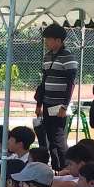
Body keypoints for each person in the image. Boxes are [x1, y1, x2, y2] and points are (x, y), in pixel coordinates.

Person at [34, 24, 78, 171]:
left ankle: (66, 167)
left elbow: (71, 84)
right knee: (50, 138)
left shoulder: (68, 57)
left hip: (59, 105)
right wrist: (39, 104)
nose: (46, 42)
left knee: (58, 138)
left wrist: (64, 106)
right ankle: (55, 168)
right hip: (47, 103)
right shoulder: (47, 56)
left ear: (58, 41)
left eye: (48, 39)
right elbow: (43, 82)